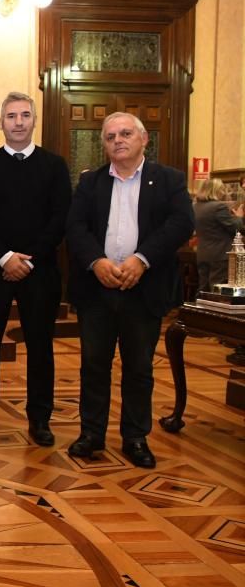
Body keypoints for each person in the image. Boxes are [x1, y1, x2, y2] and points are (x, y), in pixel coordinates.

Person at [66, 112, 194, 468]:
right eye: (110, 136)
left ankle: (135, 438)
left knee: (138, 368)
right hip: (98, 288)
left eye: (125, 134)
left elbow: (182, 223)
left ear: (143, 140)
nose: (118, 140)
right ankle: (91, 433)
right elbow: (75, 227)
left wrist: (141, 259)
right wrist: (97, 262)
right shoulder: (90, 183)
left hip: (144, 288)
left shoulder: (169, 180)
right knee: (93, 365)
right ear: (103, 143)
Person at [0, 91, 71, 445]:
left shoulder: (55, 166)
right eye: (11, 116)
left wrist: (29, 259)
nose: (18, 122)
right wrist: (5, 257)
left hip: (39, 271)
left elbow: (60, 219)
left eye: (25, 115)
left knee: (40, 347)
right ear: (1, 122)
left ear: (34, 120)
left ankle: (40, 419)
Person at [193, 178, 243, 291]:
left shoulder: (196, 206)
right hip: (220, 254)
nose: (223, 192)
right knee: (216, 289)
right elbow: (236, 229)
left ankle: (200, 308)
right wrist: (239, 217)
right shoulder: (218, 207)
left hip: (203, 253)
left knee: (203, 288)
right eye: (221, 189)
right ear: (215, 190)